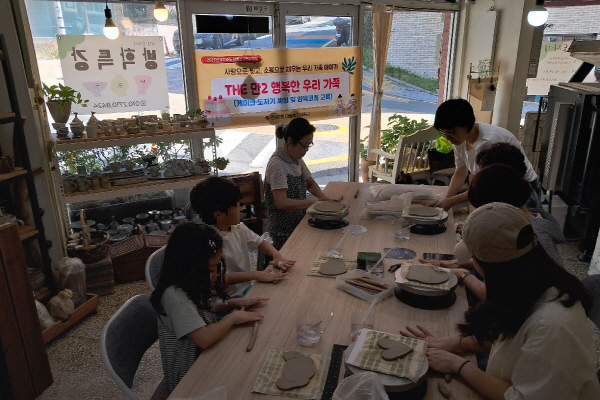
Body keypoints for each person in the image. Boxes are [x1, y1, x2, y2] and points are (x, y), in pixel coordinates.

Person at [402, 203, 600, 400]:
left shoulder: (553, 327)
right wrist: (454, 342)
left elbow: (519, 397)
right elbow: (509, 339)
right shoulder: (532, 282)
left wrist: (459, 365)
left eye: (474, 260)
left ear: (494, 270)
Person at [150, 223, 267, 392]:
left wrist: (230, 304)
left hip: (206, 357)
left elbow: (199, 313)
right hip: (189, 378)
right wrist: (232, 317)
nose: (216, 275)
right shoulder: (175, 298)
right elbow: (204, 339)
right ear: (189, 265)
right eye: (212, 269)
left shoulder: (189, 283)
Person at [190, 176, 295, 298]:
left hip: (245, 290)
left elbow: (260, 242)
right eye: (237, 206)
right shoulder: (206, 240)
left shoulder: (238, 227)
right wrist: (256, 274)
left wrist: (276, 255)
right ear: (219, 215)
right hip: (227, 300)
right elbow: (216, 279)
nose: (241, 208)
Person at [425, 99, 538, 211]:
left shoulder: (489, 141)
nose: (448, 138)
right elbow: (460, 173)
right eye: (444, 134)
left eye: (451, 133)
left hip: (521, 188)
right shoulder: (459, 140)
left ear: (467, 124)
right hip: (498, 187)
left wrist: (451, 201)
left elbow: (485, 186)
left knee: (517, 221)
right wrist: (445, 200)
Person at [264, 117, 338, 249]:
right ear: (290, 140)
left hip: (299, 222)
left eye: (309, 145)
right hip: (284, 231)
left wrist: (322, 197)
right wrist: (313, 204)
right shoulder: (277, 165)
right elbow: (282, 202)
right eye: (304, 145)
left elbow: (310, 183)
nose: (306, 150)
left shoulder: (296, 160)